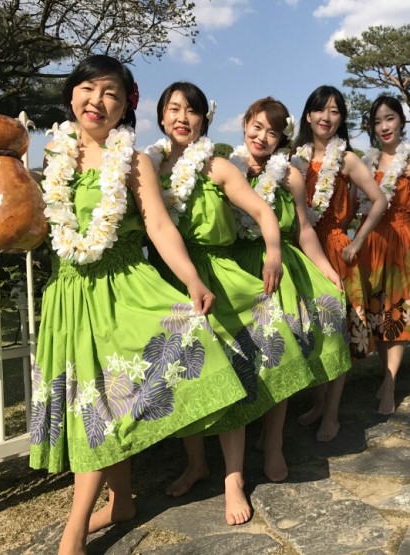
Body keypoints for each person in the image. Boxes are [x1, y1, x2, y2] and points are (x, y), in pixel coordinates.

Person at [28, 56, 247, 554]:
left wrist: (191, 279)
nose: (96, 100)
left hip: (124, 289)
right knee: (93, 405)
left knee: (108, 401)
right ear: (71, 95)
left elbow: (159, 226)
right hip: (69, 296)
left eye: (110, 92)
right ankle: (122, 501)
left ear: (125, 105)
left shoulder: (133, 161)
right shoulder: (54, 154)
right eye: (87, 88)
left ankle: (73, 533)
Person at [145, 82, 315, 525]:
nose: (182, 117)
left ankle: (234, 477)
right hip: (169, 278)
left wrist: (274, 252)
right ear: (161, 117)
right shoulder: (148, 167)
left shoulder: (216, 166)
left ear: (204, 120)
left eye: (192, 110)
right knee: (189, 375)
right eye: (174, 109)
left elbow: (262, 211)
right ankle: (197, 463)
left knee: (235, 366)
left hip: (217, 276)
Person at [229, 96, 352, 468]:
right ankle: (256, 431)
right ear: (245, 124)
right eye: (257, 127)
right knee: (248, 357)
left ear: (282, 138)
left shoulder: (290, 176)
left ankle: (274, 442)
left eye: (272, 132)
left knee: (279, 354)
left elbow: (304, 230)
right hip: (238, 272)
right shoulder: (227, 170)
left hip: (281, 271)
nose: (262, 137)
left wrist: (327, 270)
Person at [291, 85, 387, 439]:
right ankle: (318, 402)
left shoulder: (346, 160)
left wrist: (357, 240)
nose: (326, 117)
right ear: (308, 115)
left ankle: (332, 413)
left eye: (334, 111)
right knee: (312, 331)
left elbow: (379, 200)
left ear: (342, 118)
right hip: (302, 250)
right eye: (320, 109)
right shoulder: (294, 159)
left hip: (335, 247)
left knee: (338, 333)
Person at [356, 95, 410, 414]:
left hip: (406, 241)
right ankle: (387, 376)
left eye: (390, 118)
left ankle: (391, 384)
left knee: (399, 312)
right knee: (379, 314)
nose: (384, 126)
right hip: (373, 242)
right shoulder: (365, 163)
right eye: (377, 121)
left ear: (401, 121)